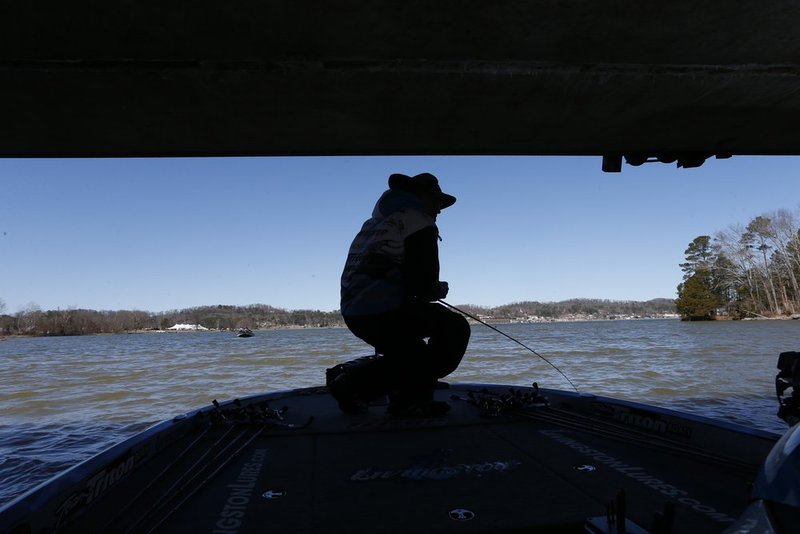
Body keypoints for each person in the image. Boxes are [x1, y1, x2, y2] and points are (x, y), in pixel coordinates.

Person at [327, 172, 470, 417]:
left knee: (412, 353)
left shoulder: (375, 223)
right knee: (454, 328)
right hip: (385, 311)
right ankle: (404, 399)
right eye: (436, 201)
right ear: (420, 197)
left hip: (354, 313)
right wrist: (438, 289)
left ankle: (355, 385)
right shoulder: (420, 222)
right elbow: (423, 285)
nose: (439, 209)